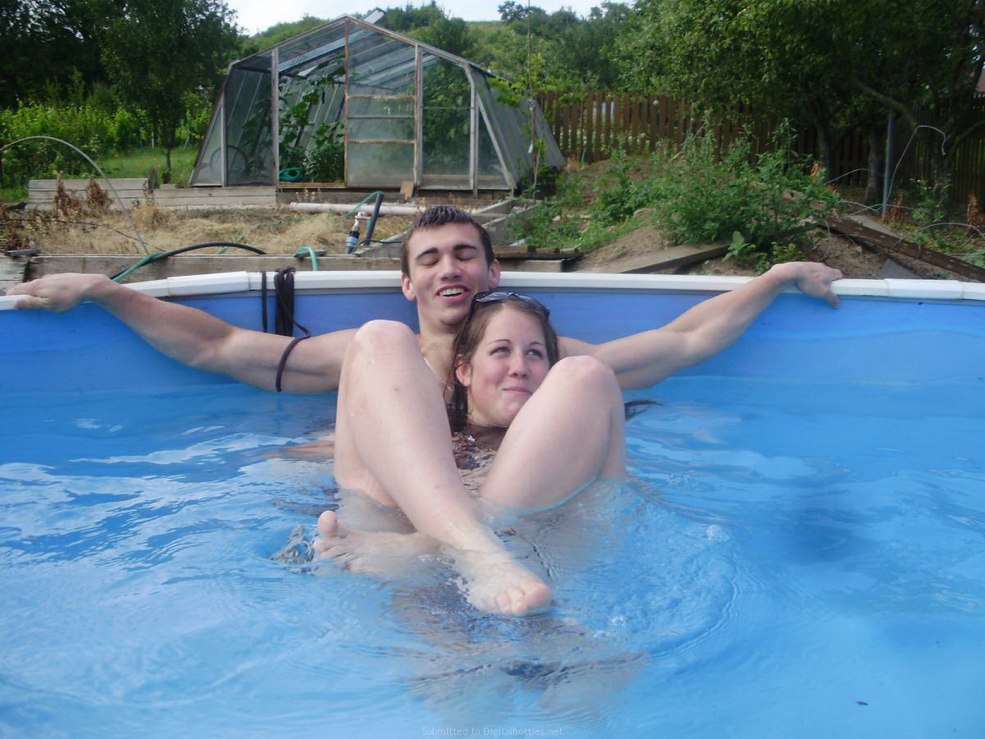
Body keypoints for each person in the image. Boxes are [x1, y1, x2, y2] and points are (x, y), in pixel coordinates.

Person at [7, 205, 843, 612]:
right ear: (408, 281)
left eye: (468, 255)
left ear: (488, 274)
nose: (451, 267)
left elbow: (684, 343)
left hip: (502, 522)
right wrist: (108, 292)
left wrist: (769, 280)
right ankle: (456, 557)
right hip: (394, 520)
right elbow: (217, 348)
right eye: (431, 257)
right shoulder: (363, 354)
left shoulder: (547, 368)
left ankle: (443, 554)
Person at [314, 290, 626, 615]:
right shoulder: (414, 427)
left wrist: (420, 547)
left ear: (550, 373)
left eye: (534, 354)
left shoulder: (589, 431)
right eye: (501, 350)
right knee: (379, 337)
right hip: (400, 582)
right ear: (463, 369)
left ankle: (451, 549)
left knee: (590, 373)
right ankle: (475, 551)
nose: (519, 366)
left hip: (526, 582)